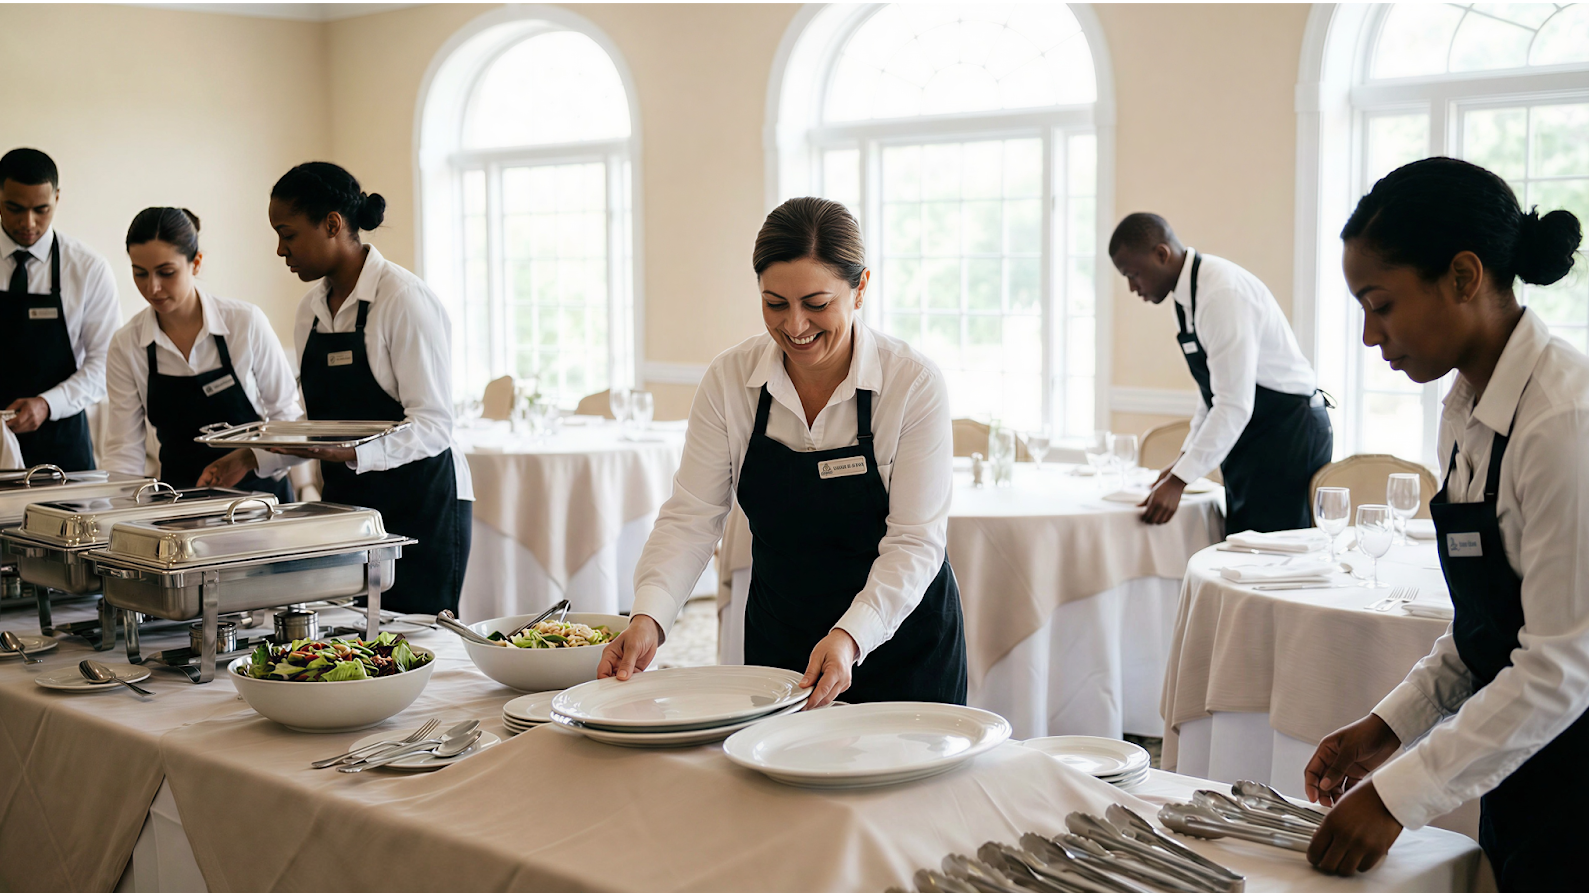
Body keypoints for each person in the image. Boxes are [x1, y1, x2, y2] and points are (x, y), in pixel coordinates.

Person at [1302, 157, 1587, 888]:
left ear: (1462, 277)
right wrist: (1390, 723)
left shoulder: (1560, 422)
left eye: (1380, 303)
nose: (1369, 335)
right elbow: (1489, 626)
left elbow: (1558, 668)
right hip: (1528, 765)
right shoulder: (1464, 410)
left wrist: (1395, 798)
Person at [598, 197, 967, 708]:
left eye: (816, 303)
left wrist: (851, 636)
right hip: (781, 642)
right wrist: (649, 617)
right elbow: (693, 516)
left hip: (900, 639)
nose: (795, 326)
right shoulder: (730, 381)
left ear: (860, 288)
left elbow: (914, 542)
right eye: (775, 304)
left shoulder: (911, 384)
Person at [265, 162, 473, 616]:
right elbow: (319, 426)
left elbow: (435, 425)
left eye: (289, 234)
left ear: (333, 224)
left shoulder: (403, 300)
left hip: (421, 507)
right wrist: (256, 455)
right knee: (349, 644)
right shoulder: (309, 310)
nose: (280, 250)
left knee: (415, 646)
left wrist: (354, 452)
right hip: (350, 513)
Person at [1109, 213, 1332, 533]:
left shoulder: (1220, 293)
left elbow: (1232, 403)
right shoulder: (1186, 298)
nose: (1132, 287)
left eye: (1133, 274)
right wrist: (1183, 461)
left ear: (1161, 254)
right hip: (1255, 434)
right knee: (1242, 549)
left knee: (1271, 561)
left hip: (1287, 434)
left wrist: (1179, 480)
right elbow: (1211, 396)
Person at [101, 208, 299, 499]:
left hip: (262, 502)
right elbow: (124, 452)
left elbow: (289, 422)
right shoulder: (127, 344)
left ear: (196, 263)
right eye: (139, 273)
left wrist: (250, 459)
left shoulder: (244, 323)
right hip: (180, 507)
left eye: (166, 273)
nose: (152, 287)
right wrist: (117, 520)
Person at [0, 148, 119, 470]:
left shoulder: (88, 268)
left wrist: (46, 405)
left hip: (61, 450)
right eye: (15, 208)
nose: (29, 222)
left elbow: (104, 366)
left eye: (41, 209)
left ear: (57, 197)